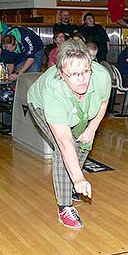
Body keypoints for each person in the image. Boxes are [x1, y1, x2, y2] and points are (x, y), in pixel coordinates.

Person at [27, 40, 111, 229]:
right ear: (61, 73)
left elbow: (103, 103)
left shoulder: (101, 76)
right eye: (73, 74)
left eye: (85, 72)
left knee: (82, 145)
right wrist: (79, 177)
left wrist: (92, 129)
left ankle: (71, 182)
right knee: (64, 149)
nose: (81, 79)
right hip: (40, 105)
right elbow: (64, 142)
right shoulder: (53, 89)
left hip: (81, 110)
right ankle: (65, 207)